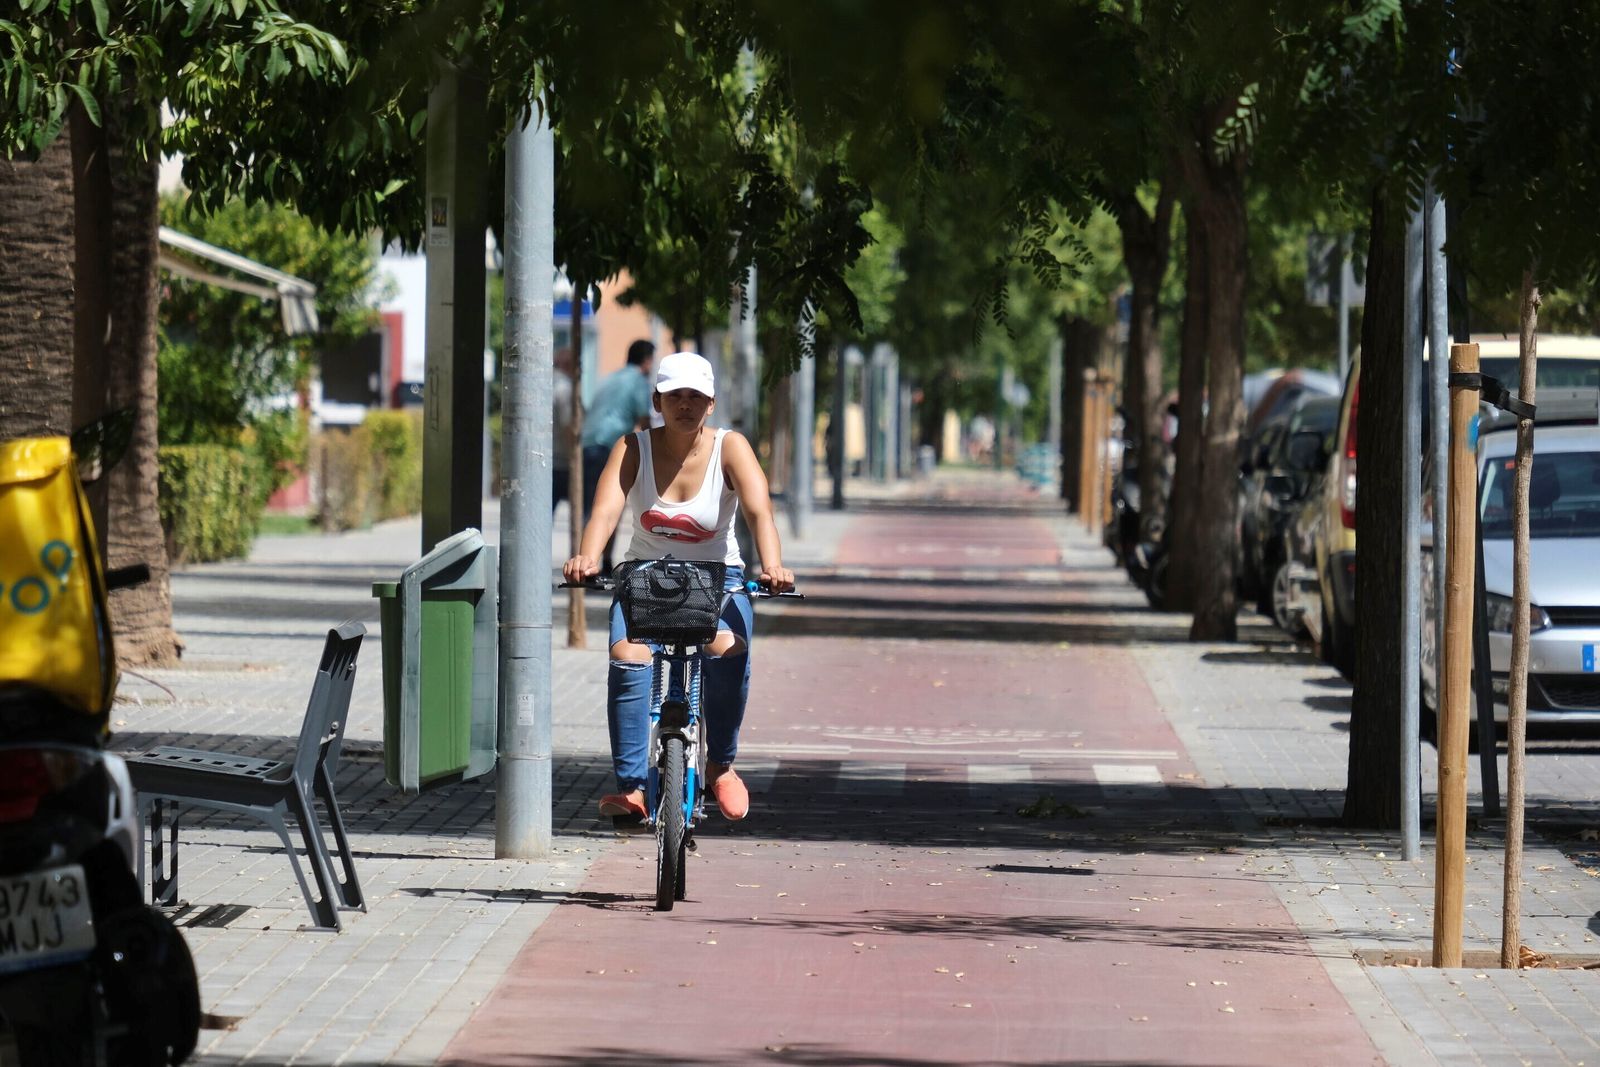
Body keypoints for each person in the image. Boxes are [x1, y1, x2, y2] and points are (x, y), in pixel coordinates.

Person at [563, 351, 794, 823]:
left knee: (729, 650)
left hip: (719, 578)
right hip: (646, 575)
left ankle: (720, 766)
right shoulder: (633, 448)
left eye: (695, 397)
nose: (684, 405)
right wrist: (588, 556)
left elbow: (759, 513)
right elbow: (605, 511)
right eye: (674, 397)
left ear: (710, 404)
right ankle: (632, 788)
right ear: (657, 400)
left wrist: (773, 567)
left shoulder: (732, 447)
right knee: (628, 656)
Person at [580, 339, 656, 574]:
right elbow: (645, 421)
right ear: (646, 360)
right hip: (609, 445)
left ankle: (588, 559)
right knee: (610, 504)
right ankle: (600, 563)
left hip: (588, 442)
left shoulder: (610, 378)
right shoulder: (639, 381)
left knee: (592, 506)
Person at [552, 347, 575, 515]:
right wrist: (575, 457)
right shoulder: (565, 389)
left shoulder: (547, 384)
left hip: (550, 459)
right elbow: (569, 427)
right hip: (561, 462)